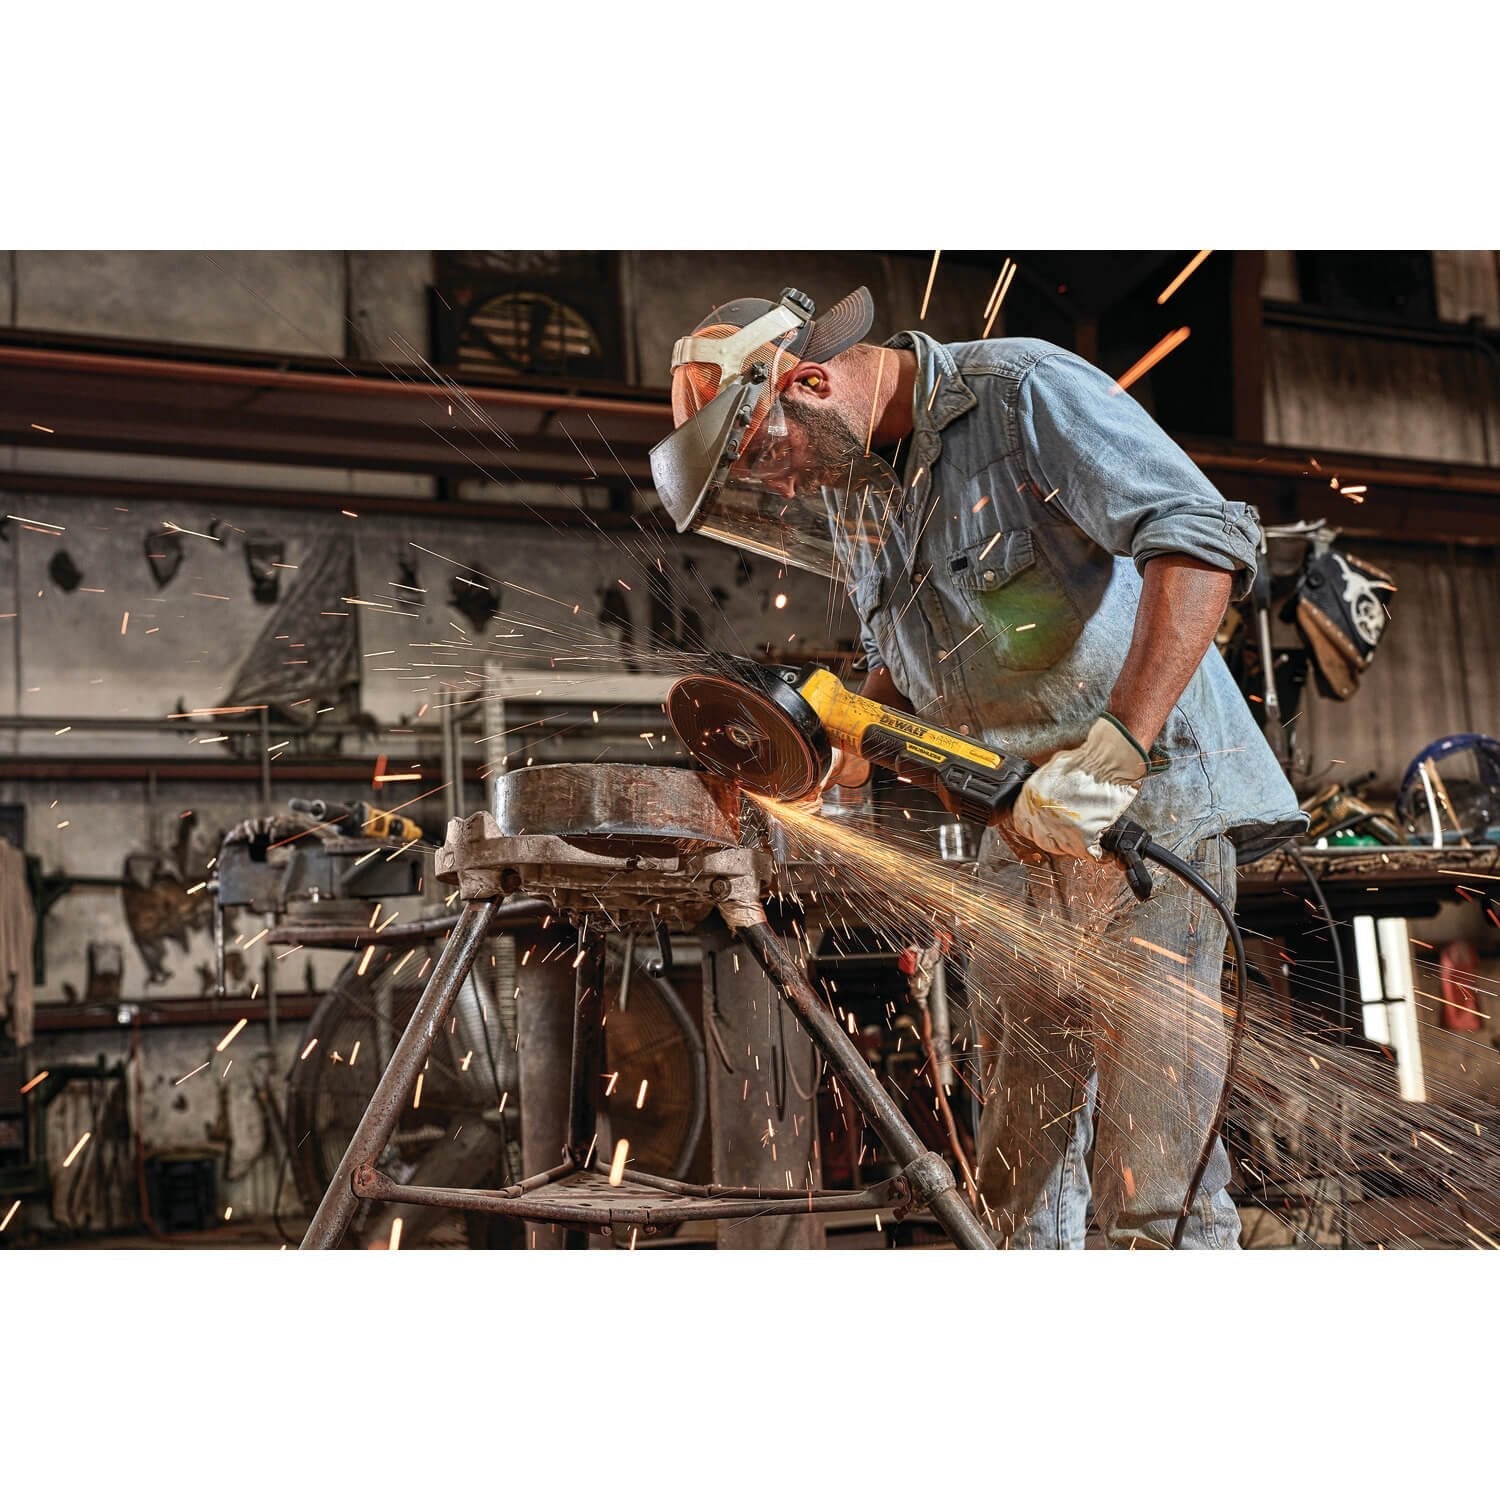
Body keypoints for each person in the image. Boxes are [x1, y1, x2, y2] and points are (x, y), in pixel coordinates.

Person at [650, 285, 1305, 1248]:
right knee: (1016, 1173)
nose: (782, 488)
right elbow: (911, 659)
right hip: (1021, 836)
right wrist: (840, 743)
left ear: (810, 384)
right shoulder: (859, 490)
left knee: (1152, 1178)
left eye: (769, 458)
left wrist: (1119, 746)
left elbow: (1201, 541)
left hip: (1145, 821)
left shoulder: (1022, 392)